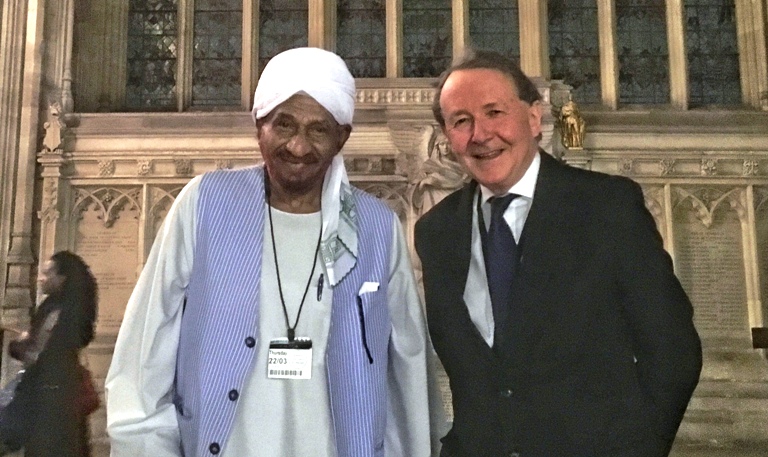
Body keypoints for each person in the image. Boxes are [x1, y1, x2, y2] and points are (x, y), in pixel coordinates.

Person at [106, 47, 441, 457]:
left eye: (319, 130)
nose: (299, 147)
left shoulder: (375, 227)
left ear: (342, 138)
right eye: (284, 124)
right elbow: (146, 349)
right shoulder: (205, 205)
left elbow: (406, 369)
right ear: (258, 127)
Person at [414, 49, 702, 457]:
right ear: (447, 136)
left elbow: (673, 350)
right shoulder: (437, 231)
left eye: (494, 112)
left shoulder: (606, 207)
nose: (480, 134)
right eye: (461, 121)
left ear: (534, 118)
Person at [0, 251, 98, 457]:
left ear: (62, 278)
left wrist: (18, 344)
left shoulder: (56, 311)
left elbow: (37, 354)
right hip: (64, 400)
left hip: (48, 405)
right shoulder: (75, 308)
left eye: (47, 273)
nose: (40, 277)